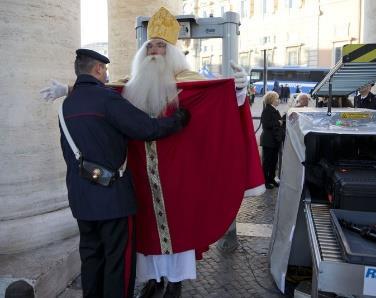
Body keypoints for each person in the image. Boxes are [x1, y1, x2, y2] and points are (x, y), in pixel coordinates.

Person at [41, 7, 264, 298]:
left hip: (178, 175)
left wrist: (237, 91)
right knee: (146, 231)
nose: (155, 50)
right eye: (150, 45)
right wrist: (69, 90)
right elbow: (103, 94)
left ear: (172, 50)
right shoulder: (130, 84)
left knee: (178, 226)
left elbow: (215, 106)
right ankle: (155, 279)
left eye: (161, 45)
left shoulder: (191, 81)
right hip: (141, 178)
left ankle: (174, 281)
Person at [58, 49, 190, 298]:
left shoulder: (67, 105)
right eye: (105, 70)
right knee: (117, 263)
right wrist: (178, 120)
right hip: (113, 200)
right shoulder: (107, 99)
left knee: (91, 259)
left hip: (81, 200)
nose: (107, 75)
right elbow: (146, 128)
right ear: (97, 69)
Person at [260, 91, 282, 189]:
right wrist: (278, 122)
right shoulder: (267, 110)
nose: (278, 100)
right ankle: (265, 181)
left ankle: (271, 178)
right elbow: (266, 124)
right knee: (267, 162)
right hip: (268, 141)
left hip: (274, 140)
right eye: (277, 98)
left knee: (274, 161)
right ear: (271, 100)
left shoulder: (274, 110)